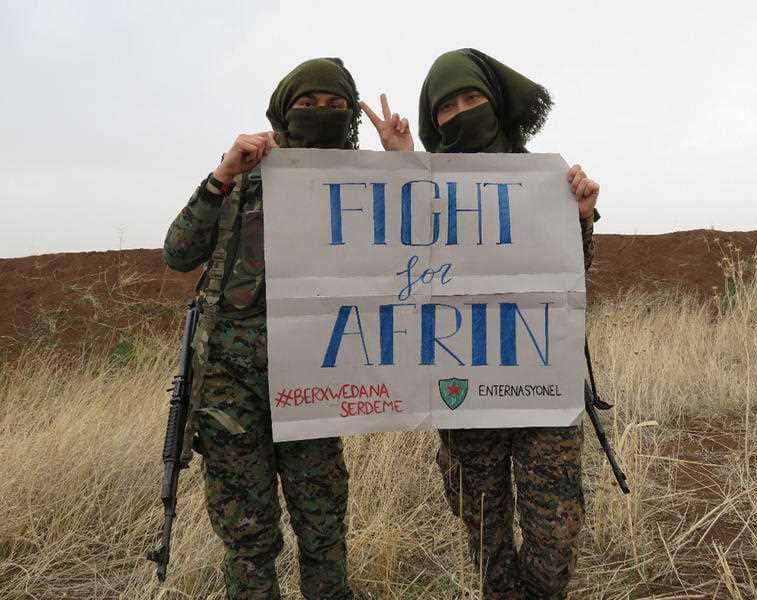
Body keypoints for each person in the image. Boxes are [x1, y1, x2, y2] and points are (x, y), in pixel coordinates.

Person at [162, 57, 411, 600]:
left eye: (333, 105)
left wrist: (402, 163)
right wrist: (223, 175)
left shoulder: (360, 179)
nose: (319, 113)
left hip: (315, 375)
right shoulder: (248, 171)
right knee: (248, 535)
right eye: (306, 104)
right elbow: (178, 253)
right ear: (282, 110)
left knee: (323, 527)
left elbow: (419, 247)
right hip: (232, 384)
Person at [416, 48, 600, 600]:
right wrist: (398, 165)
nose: (461, 111)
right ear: (433, 120)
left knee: (556, 535)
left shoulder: (543, 182)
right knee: (486, 543)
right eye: (447, 106)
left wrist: (581, 217)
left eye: (472, 98)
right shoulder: (423, 189)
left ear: (495, 103)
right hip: (463, 394)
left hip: (540, 386)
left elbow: (573, 274)